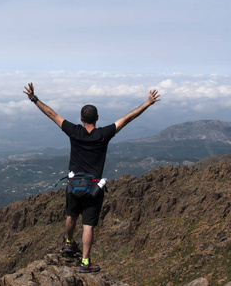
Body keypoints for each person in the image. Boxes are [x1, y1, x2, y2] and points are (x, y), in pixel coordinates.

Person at [23, 82, 160, 273]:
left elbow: (51, 114)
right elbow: (127, 118)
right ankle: (85, 263)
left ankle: (69, 243)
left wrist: (34, 99)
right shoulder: (104, 134)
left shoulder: (74, 131)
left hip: (73, 185)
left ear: (81, 118)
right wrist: (147, 103)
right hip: (93, 188)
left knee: (71, 214)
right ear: (97, 118)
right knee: (88, 224)